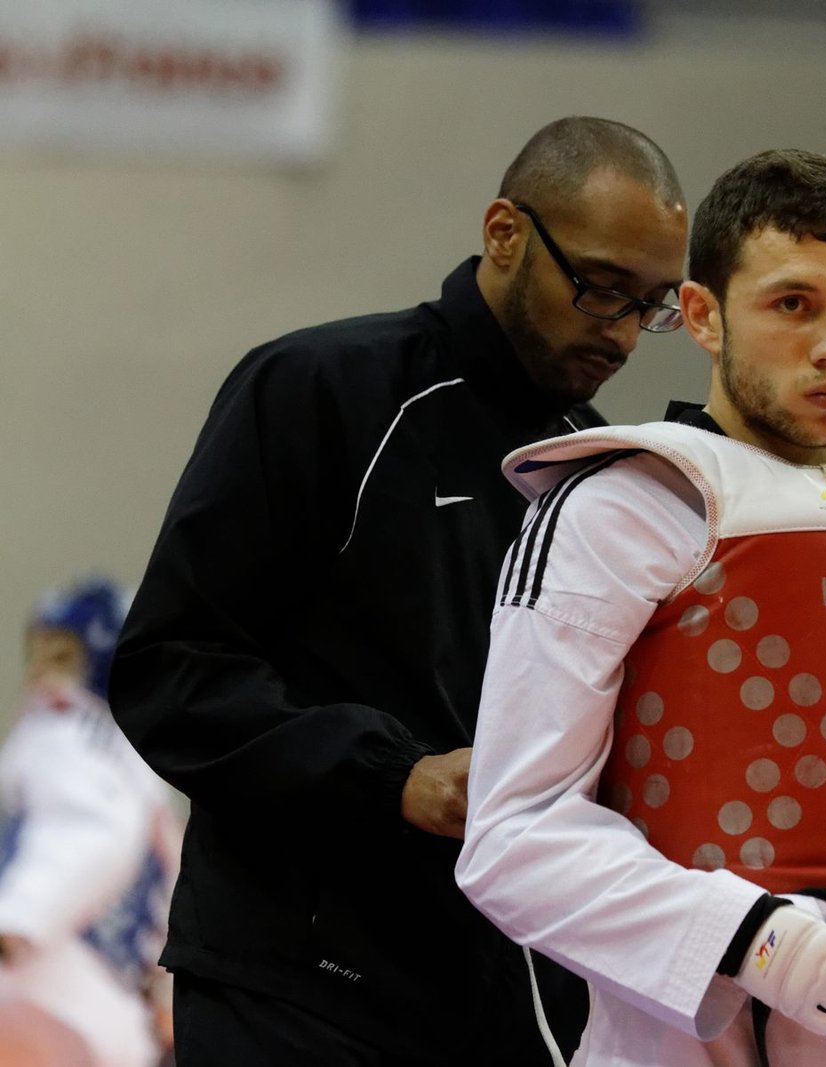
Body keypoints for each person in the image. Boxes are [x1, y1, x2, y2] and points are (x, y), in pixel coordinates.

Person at [456, 149, 826, 1066]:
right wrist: (753, 938)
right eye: (793, 304)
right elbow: (514, 834)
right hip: (684, 1045)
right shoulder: (621, 507)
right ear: (703, 314)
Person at [109, 116, 689, 1065]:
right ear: (505, 232)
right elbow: (171, 671)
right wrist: (396, 777)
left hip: (505, 1004)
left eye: (652, 303)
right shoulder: (320, 390)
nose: (622, 330)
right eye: (599, 286)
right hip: (294, 993)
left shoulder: (599, 472)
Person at [0, 578, 180, 1067]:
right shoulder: (134, 767)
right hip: (112, 1010)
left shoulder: (66, 733)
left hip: (51, 984)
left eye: (61, 658)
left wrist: (16, 919)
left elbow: (92, 832)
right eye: (35, 656)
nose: (41, 674)